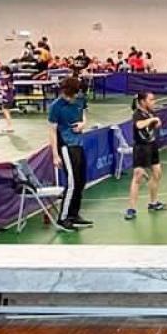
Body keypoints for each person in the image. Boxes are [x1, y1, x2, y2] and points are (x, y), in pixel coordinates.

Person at [47, 75, 93, 232]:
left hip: (79, 143)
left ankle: (74, 215)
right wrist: (55, 155)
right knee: (72, 183)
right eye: (66, 95)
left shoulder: (80, 99)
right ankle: (63, 218)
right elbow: (52, 131)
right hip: (66, 146)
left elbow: (84, 115)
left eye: (71, 95)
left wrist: (83, 124)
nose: (68, 98)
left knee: (81, 181)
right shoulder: (56, 106)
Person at [124, 91, 167, 220]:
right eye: (151, 100)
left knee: (157, 173)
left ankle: (153, 203)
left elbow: (157, 124)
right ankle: (131, 209)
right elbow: (139, 125)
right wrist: (152, 120)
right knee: (137, 177)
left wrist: (156, 122)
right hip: (141, 148)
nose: (154, 102)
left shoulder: (150, 112)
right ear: (143, 101)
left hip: (152, 146)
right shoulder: (137, 114)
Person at [0, 65, 15, 133]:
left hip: (7, 97)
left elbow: (6, 88)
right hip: (8, 96)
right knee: (6, 111)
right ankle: (8, 126)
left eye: (1, 71)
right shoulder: (9, 77)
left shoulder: (6, 79)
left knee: (6, 111)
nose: (0, 72)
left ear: (4, 72)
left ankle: (10, 126)